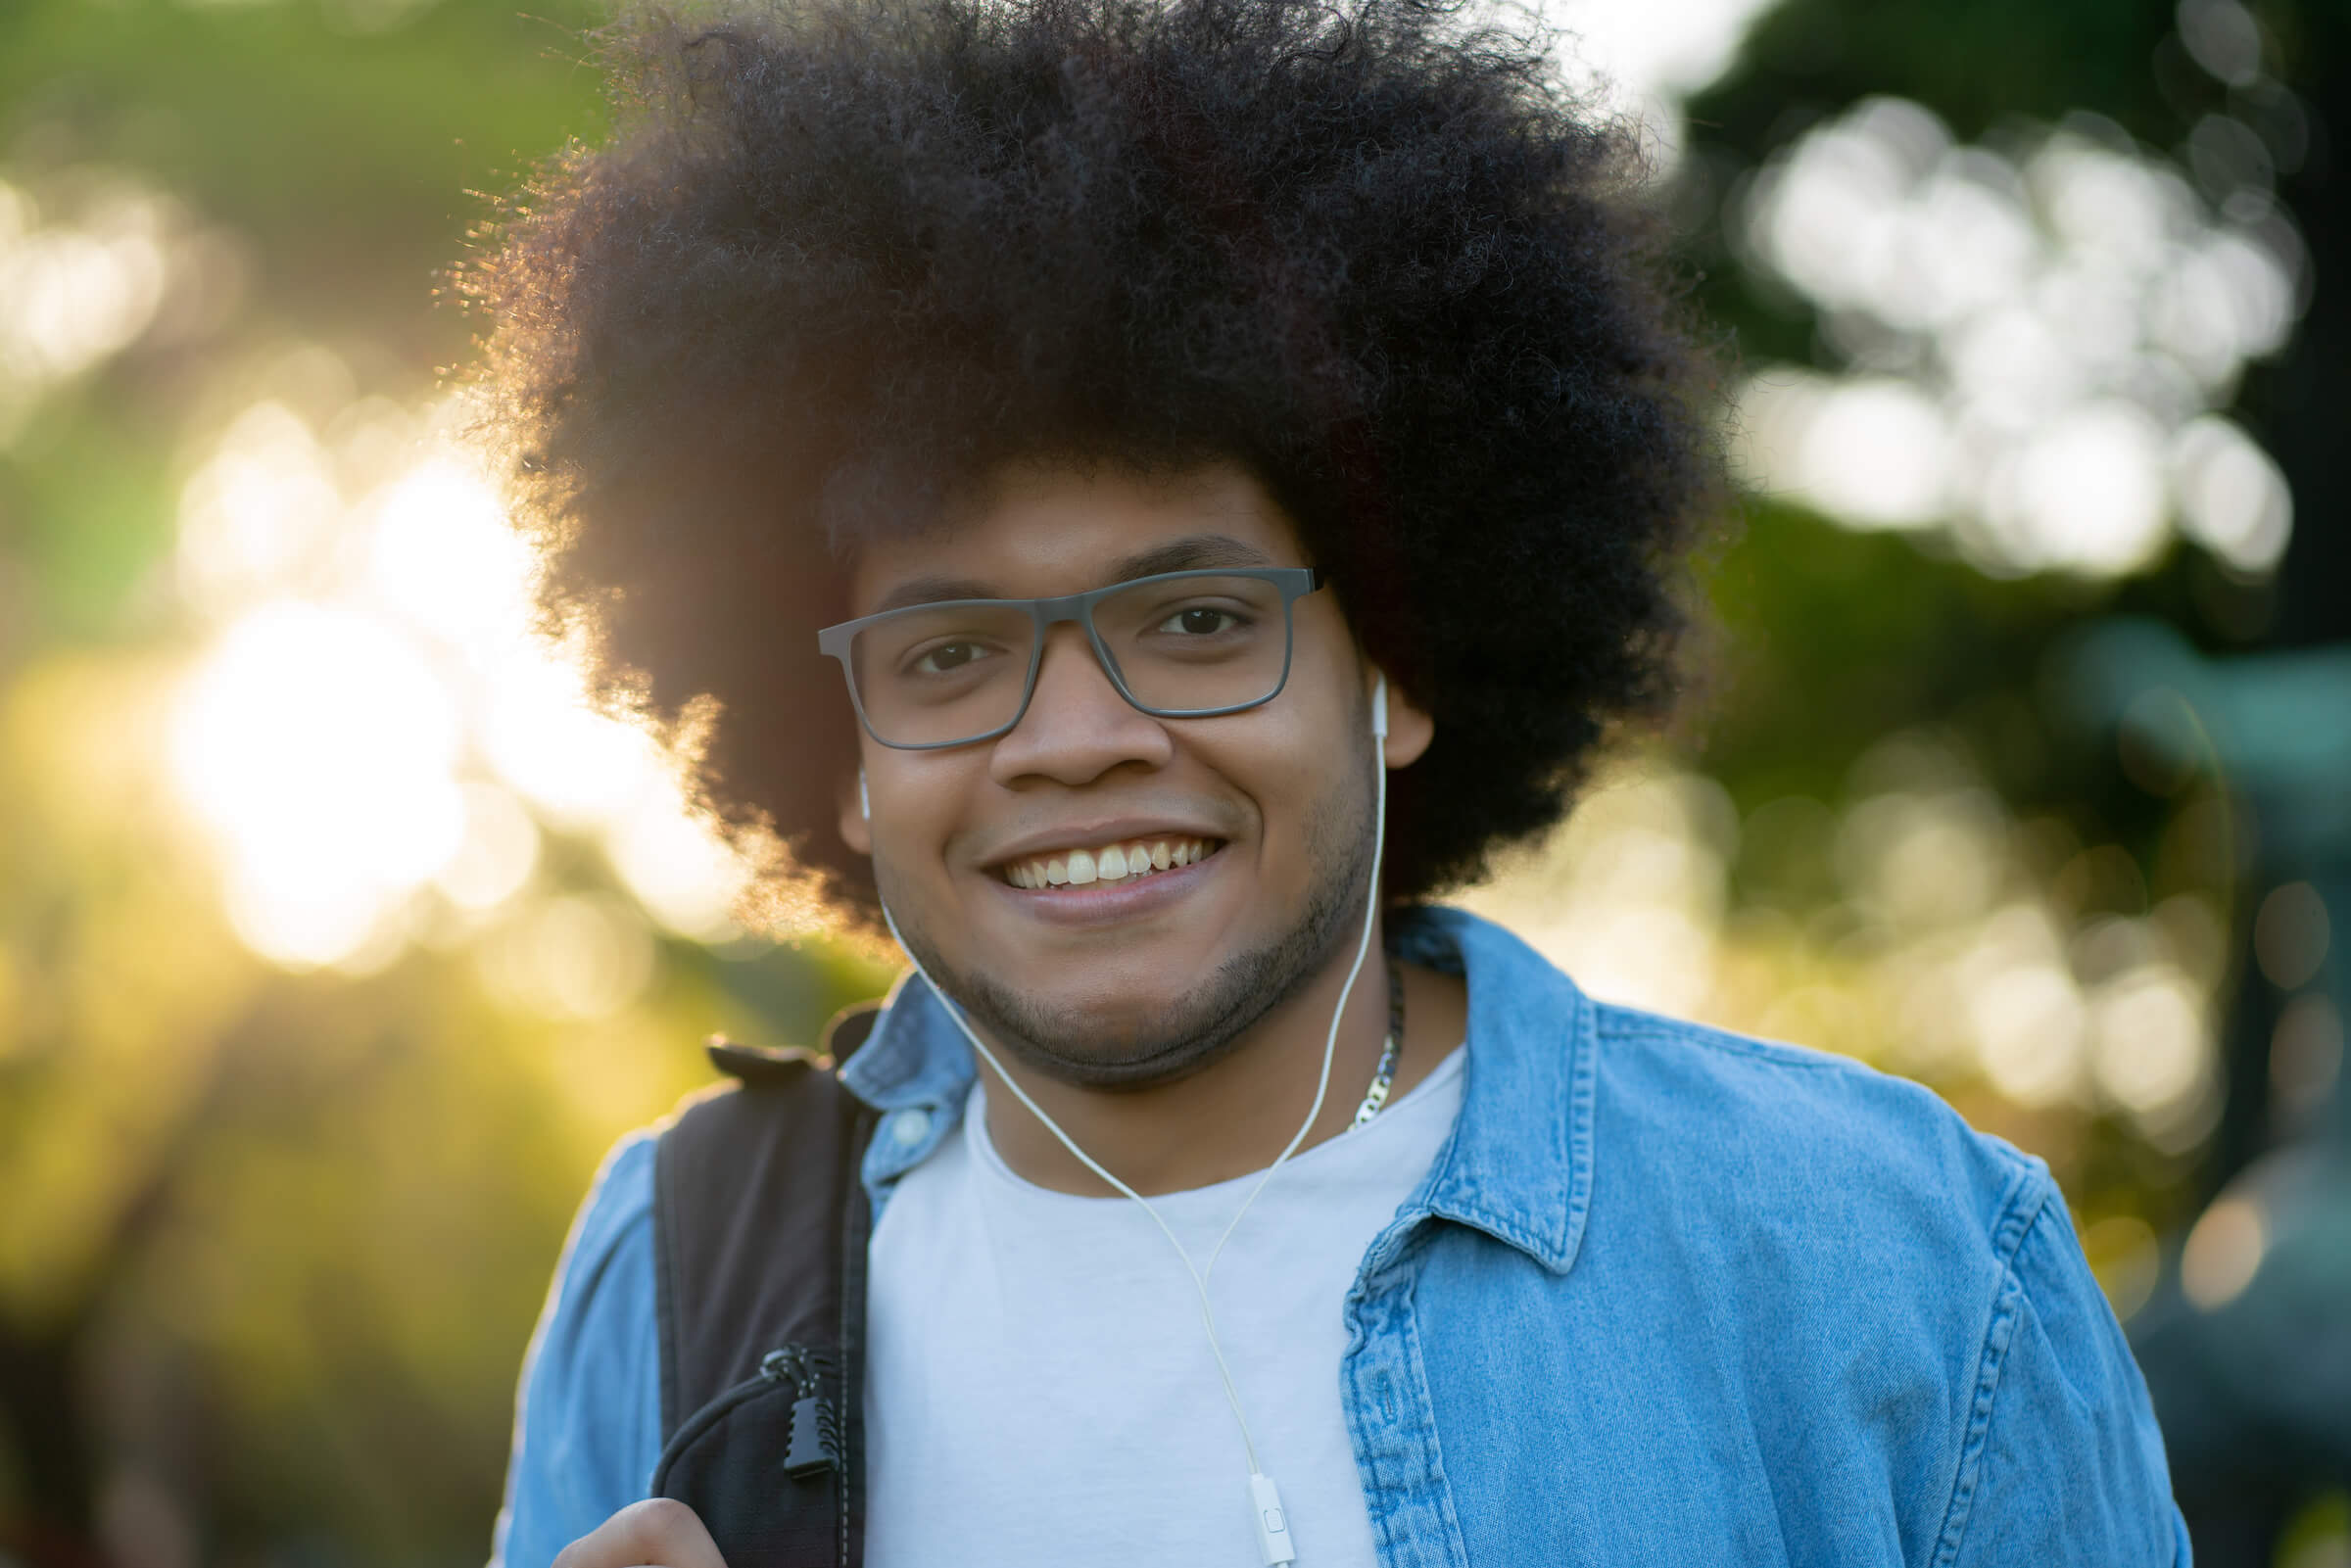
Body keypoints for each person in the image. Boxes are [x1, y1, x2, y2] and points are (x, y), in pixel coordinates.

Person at [470, 0, 2189, 1562]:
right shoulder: (676, 1267)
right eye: (949, 655)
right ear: (839, 759)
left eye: (1202, 617)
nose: (1072, 736)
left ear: (1401, 669)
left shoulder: (1894, 1263)